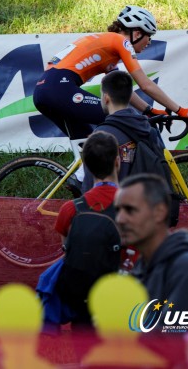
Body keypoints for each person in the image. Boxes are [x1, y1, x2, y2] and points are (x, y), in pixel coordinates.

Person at [33, 5, 188, 141]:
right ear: (137, 33)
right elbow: (145, 84)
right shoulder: (121, 42)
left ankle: (80, 180)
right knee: (121, 118)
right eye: (149, 37)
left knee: (86, 140)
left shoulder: (108, 47)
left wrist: (148, 110)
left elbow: (120, 89)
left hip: (44, 91)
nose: (149, 43)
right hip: (58, 88)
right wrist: (180, 110)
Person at [114, 173, 188, 331]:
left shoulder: (187, 268)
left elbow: (178, 343)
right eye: (118, 210)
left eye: (130, 210)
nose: (120, 219)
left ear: (159, 212)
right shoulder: (141, 266)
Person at [52, 130, 121, 326]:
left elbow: (67, 248)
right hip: (126, 295)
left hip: (84, 298)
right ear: (117, 162)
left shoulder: (70, 209)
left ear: (87, 167)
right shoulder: (138, 205)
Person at [81, 70, 167, 190]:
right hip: (148, 203)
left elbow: (90, 184)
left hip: (115, 206)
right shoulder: (149, 128)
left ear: (106, 98)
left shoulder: (101, 135)